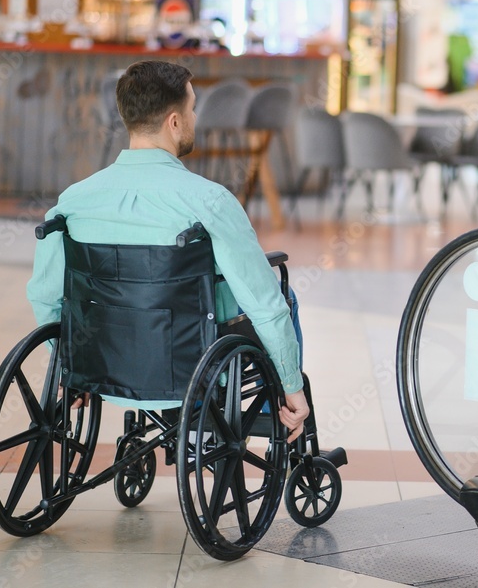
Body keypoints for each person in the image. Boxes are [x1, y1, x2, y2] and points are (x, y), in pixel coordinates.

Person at [27, 60, 310, 443]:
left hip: (101, 365)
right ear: (174, 122)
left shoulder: (73, 202)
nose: (195, 118)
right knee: (281, 296)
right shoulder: (209, 200)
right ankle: (270, 412)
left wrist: (67, 363)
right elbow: (262, 302)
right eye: (192, 109)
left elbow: (45, 297)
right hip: (190, 366)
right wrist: (293, 386)